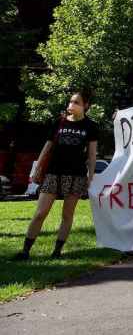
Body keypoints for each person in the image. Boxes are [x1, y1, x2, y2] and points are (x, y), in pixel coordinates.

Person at [13, 92, 98, 260]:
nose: (72, 104)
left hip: (76, 175)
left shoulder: (91, 126)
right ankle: (25, 251)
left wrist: (90, 175)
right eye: (71, 101)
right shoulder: (59, 122)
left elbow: (92, 154)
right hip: (53, 172)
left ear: (86, 106)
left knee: (67, 215)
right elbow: (47, 147)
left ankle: (57, 251)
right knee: (40, 213)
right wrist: (37, 168)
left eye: (76, 102)